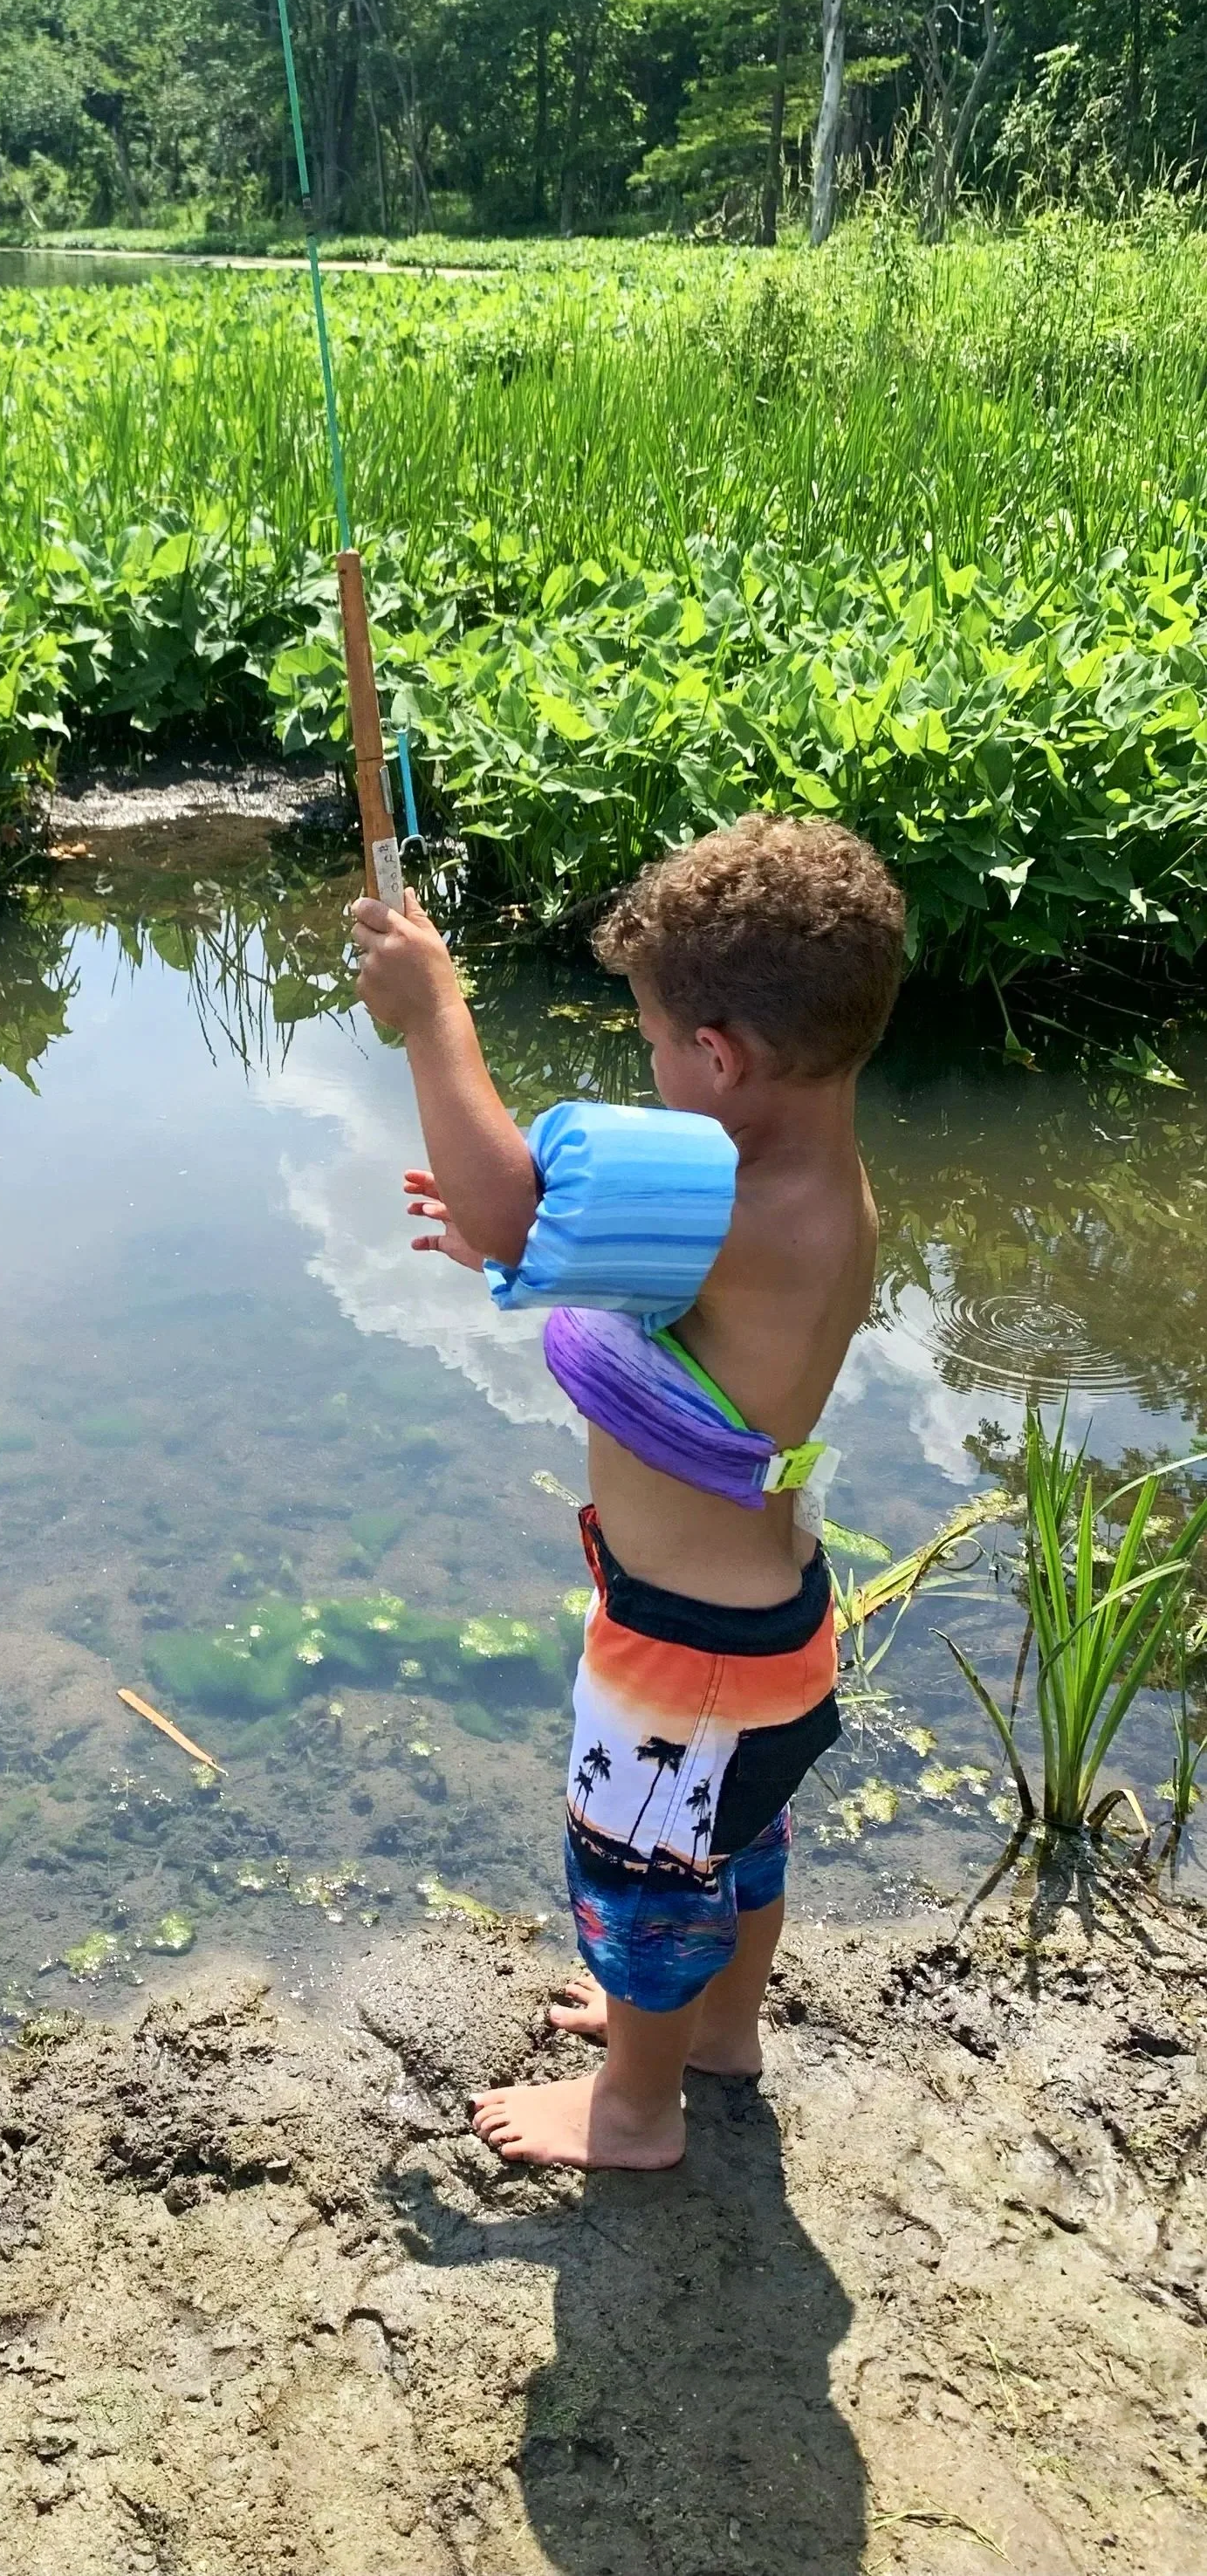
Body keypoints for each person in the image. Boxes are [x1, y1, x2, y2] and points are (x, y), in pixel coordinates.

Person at [350, 814, 907, 2169]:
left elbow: (500, 1209)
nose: (650, 1069)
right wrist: (526, 1242)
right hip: (768, 1624)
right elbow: (570, 1250)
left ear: (718, 1056)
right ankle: (719, 2035)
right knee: (734, 1852)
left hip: (684, 1652)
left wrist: (434, 1015)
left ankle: (634, 2113)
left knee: (642, 1879)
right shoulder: (811, 1182)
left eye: (654, 1042)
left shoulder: (739, 1207)